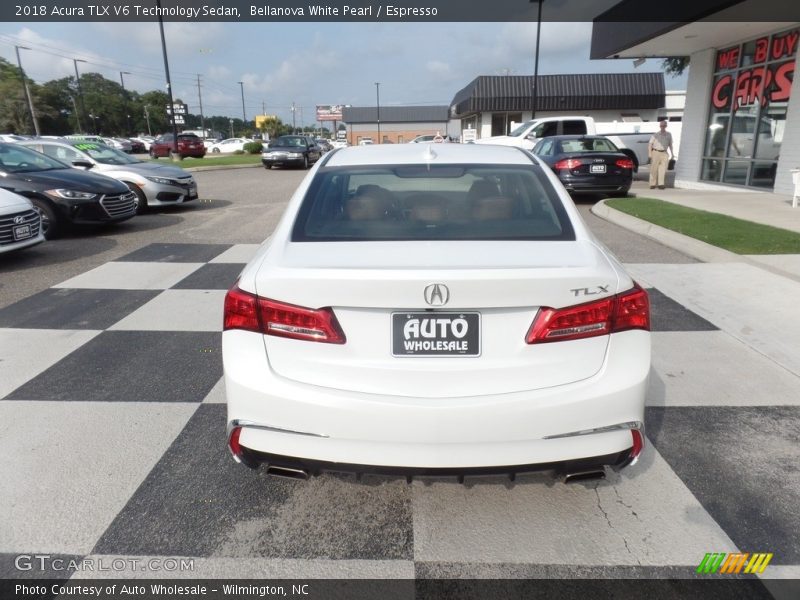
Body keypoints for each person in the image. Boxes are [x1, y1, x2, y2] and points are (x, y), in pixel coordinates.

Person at [648, 120, 674, 189]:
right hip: (655, 152)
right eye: (661, 125)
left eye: (664, 125)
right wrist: (650, 153)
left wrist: (672, 154)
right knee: (654, 169)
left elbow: (670, 145)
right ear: (659, 126)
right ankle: (652, 184)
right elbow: (650, 144)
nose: (662, 127)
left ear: (666, 126)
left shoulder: (669, 134)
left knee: (663, 169)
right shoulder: (655, 135)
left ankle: (661, 184)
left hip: (664, 153)